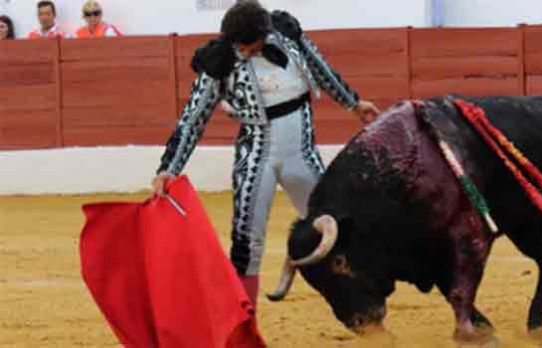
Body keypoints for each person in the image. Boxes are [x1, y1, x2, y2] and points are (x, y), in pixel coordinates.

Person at [151, 0, 380, 306]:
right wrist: (170, 167)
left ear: (265, 33)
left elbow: (320, 68)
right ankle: (244, 326)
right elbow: (192, 120)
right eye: (238, 46)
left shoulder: (286, 35)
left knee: (335, 228)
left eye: (249, 45)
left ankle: (360, 307)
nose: (243, 52)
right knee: (247, 243)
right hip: (256, 159)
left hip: (301, 152)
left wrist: (352, 102)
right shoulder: (220, 61)